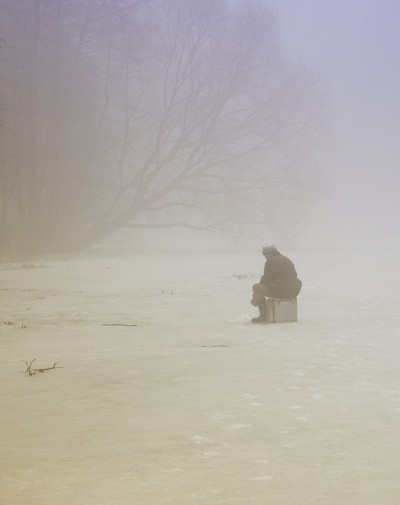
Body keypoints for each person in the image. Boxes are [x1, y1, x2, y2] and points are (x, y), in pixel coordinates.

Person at [251, 244, 302, 323]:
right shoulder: (285, 259)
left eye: (264, 255)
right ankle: (257, 301)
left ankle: (263, 316)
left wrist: (256, 295)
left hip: (282, 291)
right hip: (294, 290)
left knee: (257, 287)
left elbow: (265, 279)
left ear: (268, 254)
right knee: (263, 287)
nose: (265, 257)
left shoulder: (271, 261)